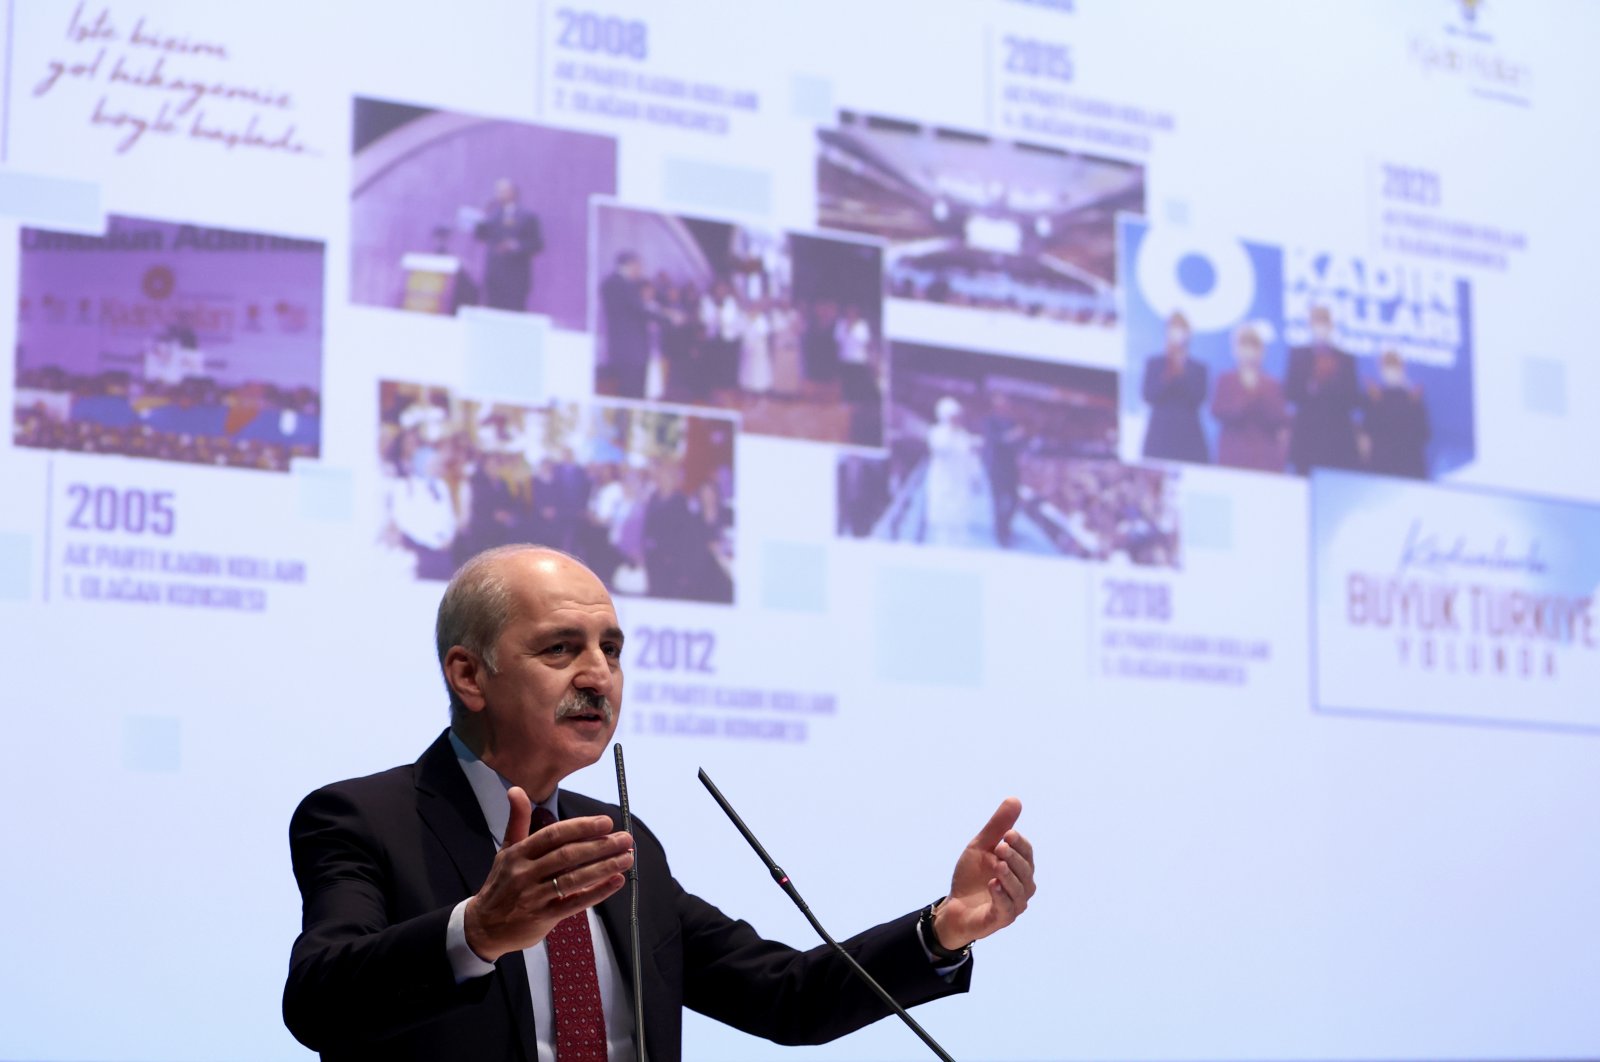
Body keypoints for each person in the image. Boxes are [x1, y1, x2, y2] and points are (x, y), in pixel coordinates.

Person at [284, 546, 1037, 1060]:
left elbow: (786, 997)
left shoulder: (617, 836)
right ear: (469, 675)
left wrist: (941, 930)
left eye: (610, 650)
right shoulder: (363, 820)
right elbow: (318, 1000)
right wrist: (476, 932)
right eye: (561, 649)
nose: (598, 675)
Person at [1286, 304, 1362, 475]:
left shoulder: (1345, 359)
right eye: (1316, 322)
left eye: (1324, 322)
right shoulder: (1299, 355)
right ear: (1310, 325)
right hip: (1307, 437)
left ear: (1331, 325)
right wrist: (1312, 384)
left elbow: (1353, 400)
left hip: (1338, 438)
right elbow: (1290, 393)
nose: (1320, 327)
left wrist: (1331, 383)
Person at [1209, 321, 1289, 472]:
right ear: (1235, 350)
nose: (1249, 352)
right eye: (1244, 346)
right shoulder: (1225, 380)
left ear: (1261, 352)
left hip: (1265, 458)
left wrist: (1257, 393)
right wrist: (1245, 397)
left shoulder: (1272, 385)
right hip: (1232, 455)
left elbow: (1280, 419)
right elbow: (1217, 411)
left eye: (1254, 347)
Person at [1139, 311, 1210, 463]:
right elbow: (1148, 395)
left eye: (1181, 329)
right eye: (1173, 328)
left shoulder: (1198, 368)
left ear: (1189, 334)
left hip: (1189, 434)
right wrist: (1168, 374)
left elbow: (1198, 398)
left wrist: (1180, 371)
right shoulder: (1155, 364)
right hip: (1160, 434)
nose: (1177, 333)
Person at [473, 178, 545, 313]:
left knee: (513, 314)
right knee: (492, 313)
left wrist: (516, 246)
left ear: (513, 192)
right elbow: (481, 236)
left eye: (503, 191)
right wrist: (480, 219)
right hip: (494, 276)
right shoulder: (492, 216)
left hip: (516, 277)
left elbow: (537, 244)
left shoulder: (528, 216)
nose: (499, 194)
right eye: (497, 191)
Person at [1362, 350, 1431, 478]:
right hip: (1381, 467)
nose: (1391, 372)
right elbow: (1367, 434)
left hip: (1409, 467)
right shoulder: (1374, 399)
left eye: (1394, 367)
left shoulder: (1413, 399)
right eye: (1387, 367)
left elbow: (1424, 434)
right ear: (1381, 370)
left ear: (1402, 369)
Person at [924, 396, 983, 545]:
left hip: (961, 485)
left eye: (957, 416)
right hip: (943, 484)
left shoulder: (964, 436)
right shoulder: (937, 433)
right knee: (943, 528)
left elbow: (971, 458)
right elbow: (940, 449)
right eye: (952, 416)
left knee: (960, 526)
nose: (956, 420)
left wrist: (975, 477)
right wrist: (949, 431)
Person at [599, 252, 653, 397]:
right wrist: (668, 317)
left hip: (631, 351)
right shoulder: (616, 284)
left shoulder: (622, 284)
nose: (640, 271)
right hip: (628, 351)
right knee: (629, 392)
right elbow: (638, 309)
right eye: (639, 266)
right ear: (630, 265)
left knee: (633, 390)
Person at [980, 392, 1028, 548]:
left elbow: (1019, 443)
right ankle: (1000, 533)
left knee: (1014, 499)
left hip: (1011, 467)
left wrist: (1020, 439)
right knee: (998, 500)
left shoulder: (1012, 423)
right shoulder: (990, 422)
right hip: (996, 466)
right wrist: (1012, 436)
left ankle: (1006, 526)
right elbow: (996, 441)